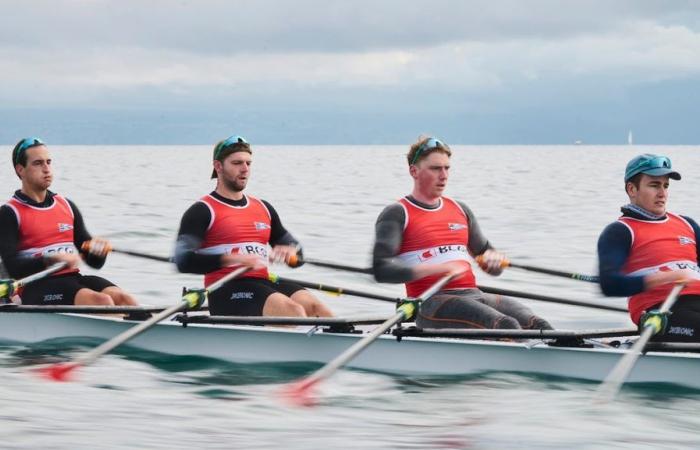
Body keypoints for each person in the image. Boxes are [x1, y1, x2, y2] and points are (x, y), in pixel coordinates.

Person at [372, 135, 551, 330]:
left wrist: (494, 261)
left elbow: (490, 261)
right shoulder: (398, 213)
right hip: (432, 303)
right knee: (506, 325)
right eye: (435, 168)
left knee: (538, 325)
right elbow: (382, 269)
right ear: (414, 171)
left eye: (447, 168)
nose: (444, 175)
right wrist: (437, 269)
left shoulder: (460, 209)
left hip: (473, 295)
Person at [174, 134, 333, 318]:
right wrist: (232, 259)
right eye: (237, 163)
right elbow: (182, 260)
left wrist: (291, 254)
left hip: (262, 283)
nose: (245, 169)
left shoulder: (264, 208)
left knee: (316, 308)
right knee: (292, 311)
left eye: (248, 163)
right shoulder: (202, 211)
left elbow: (298, 254)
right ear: (218, 166)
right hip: (225, 289)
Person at [0, 137, 138, 306]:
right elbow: (13, 266)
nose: (46, 169)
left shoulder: (66, 206)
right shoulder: (9, 213)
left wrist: (98, 251)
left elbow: (93, 262)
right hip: (35, 286)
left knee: (124, 298)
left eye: (48, 162)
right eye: (38, 163)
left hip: (71, 278)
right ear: (20, 170)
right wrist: (51, 259)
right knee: (101, 300)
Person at [598, 153, 700, 342]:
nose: (662, 193)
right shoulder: (620, 231)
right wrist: (665, 277)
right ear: (632, 189)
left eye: (665, 186)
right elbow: (609, 284)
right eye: (654, 185)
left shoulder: (688, 224)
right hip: (661, 313)